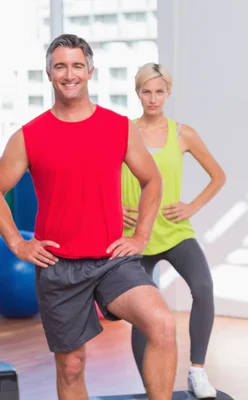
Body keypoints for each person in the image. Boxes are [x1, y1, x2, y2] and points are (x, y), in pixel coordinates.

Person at [0, 34, 178, 400]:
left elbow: (152, 180)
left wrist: (140, 237)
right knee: (71, 367)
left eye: (76, 65)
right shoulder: (29, 135)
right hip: (58, 266)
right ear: (49, 73)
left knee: (162, 323)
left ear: (90, 70)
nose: (69, 74)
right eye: (60, 66)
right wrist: (17, 244)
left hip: (111, 261)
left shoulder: (119, 127)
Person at [123, 62, 226, 399]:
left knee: (203, 287)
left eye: (159, 92)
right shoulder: (123, 131)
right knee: (144, 313)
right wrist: (112, 209)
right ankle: (149, 385)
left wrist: (191, 207)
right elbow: (98, 174)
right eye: (146, 91)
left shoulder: (182, 133)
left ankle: (197, 372)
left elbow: (218, 175)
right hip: (135, 236)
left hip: (174, 230)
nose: (152, 99)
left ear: (168, 93)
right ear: (137, 93)